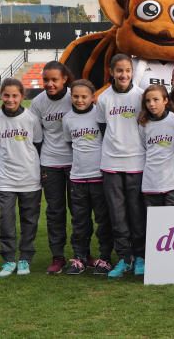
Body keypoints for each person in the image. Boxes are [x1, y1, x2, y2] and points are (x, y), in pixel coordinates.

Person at [0, 78, 43, 277]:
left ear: (22, 96)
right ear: (1, 95)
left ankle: (25, 259)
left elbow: (37, 145)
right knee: (6, 220)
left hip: (30, 178)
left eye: (15, 95)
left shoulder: (31, 119)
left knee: (29, 220)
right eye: (6, 95)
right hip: (5, 179)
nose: (10, 99)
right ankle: (9, 260)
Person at [95, 54, 146, 279]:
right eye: (119, 71)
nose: (124, 75)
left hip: (137, 162)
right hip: (111, 163)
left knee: (136, 213)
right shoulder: (104, 98)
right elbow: (103, 128)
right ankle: (124, 258)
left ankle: (140, 257)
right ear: (111, 72)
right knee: (117, 214)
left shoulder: (141, 96)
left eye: (127, 70)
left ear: (132, 72)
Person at [62, 79, 113, 275]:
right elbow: (70, 143)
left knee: (103, 220)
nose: (80, 100)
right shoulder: (67, 119)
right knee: (80, 221)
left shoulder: (99, 114)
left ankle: (105, 258)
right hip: (77, 178)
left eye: (84, 96)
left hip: (99, 177)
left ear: (93, 97)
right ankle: (80, 257)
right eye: (76, 96)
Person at [28, 60, 74, 275]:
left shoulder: (76, 95)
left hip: (76, 164)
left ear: (64, 79)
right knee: (55, 211)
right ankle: (58, 256)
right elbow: (35, 139)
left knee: (79, 211)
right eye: (46, 80)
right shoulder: (37, 103)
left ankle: (80, 254)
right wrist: (38, 166)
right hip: (50, 163)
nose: (50, 84)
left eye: (54, 79)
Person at [138, 85, 174, 223]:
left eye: (156, 99)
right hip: (150, 183)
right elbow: (144, 148)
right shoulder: (143, 124)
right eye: (148, 101)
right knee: (155, 225)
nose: (151, 104)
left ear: (165, 100)